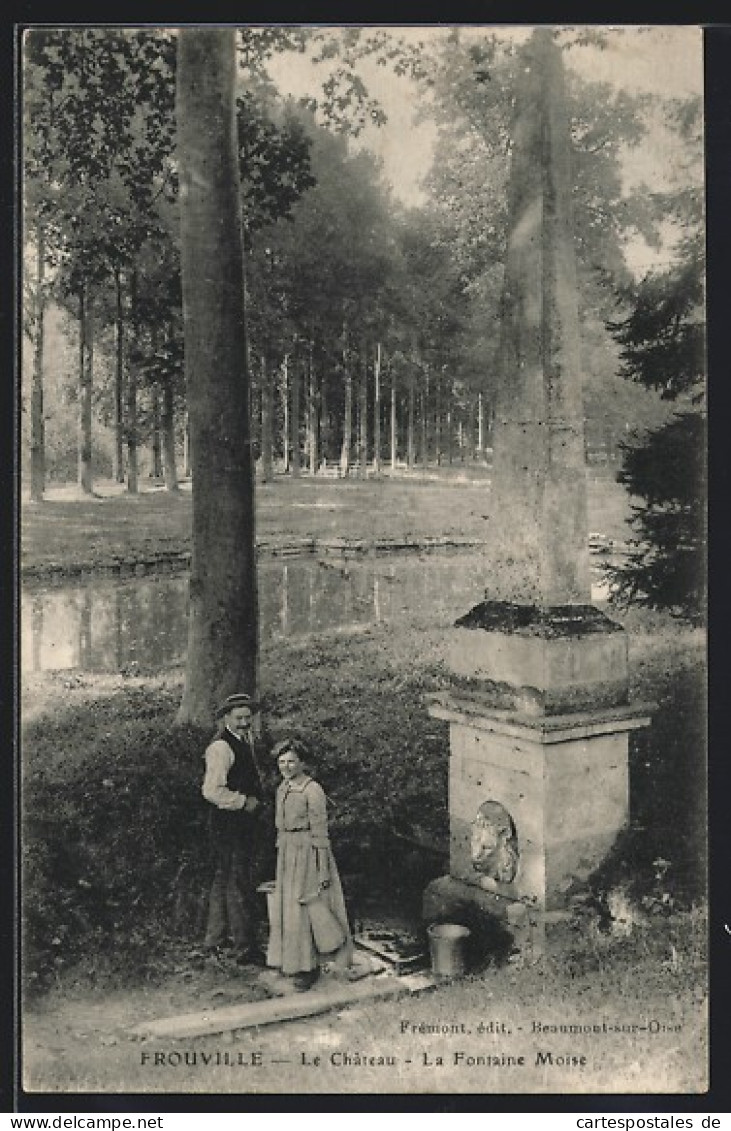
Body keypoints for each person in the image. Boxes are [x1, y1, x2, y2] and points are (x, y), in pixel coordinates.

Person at [266, 738, 352, 991]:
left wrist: (322, 868)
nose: (286, 766)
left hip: (308, 854)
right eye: (281, 762)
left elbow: (320, 833)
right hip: (287, 853)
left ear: (302, 763)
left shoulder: (312, 790)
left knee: (307, 908)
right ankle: (290, 963)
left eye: (292, 761)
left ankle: (309, 966)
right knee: (289, 909)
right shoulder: (282, 788)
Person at [200, 692, 264, 964]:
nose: (244, 723)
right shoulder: (221, 748)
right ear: (226, 718)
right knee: (237, 882)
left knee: (226, 880)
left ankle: (216, 941)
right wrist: (242, 801)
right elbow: (211, 790)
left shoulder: (243, 740)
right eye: (238, 718)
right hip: (228, 825)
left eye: (248, 717)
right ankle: (244, 949)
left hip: (239, 825)